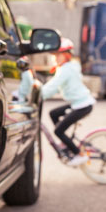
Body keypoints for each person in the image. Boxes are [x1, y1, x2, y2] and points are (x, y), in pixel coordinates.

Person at [41, 38, 96, 166]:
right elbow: (51, 85)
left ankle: (78, 154)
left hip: (82, 105)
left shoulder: (66, 70)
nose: (55, 58)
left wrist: (38, 95)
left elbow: (52, 87)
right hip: (78, 103)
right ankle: (65, 141)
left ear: (66, 55)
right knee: (53, 113)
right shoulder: (67, 67)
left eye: (58, 55)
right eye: (54, 55)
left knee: (58, 131)